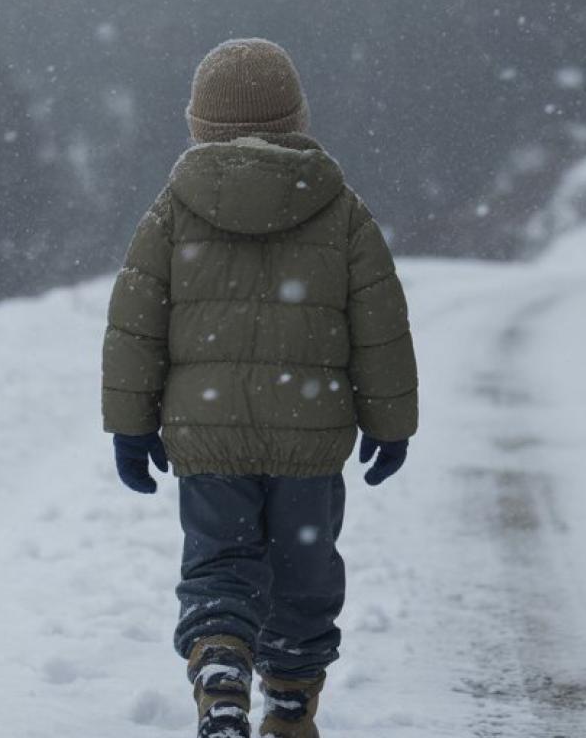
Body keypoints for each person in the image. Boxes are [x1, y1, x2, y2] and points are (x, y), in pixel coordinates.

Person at [101, 38, 417, 738]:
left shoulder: (172, 210)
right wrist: (391, 423)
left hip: (208, 437)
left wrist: (130, 424)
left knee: (219, 562)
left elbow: (135, 323)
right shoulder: (340, 209)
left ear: (198, 122)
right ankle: (290, 707)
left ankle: (219, 667)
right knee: (304, 574)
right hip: (309, 436)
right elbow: (380, 323)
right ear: (296, 117)